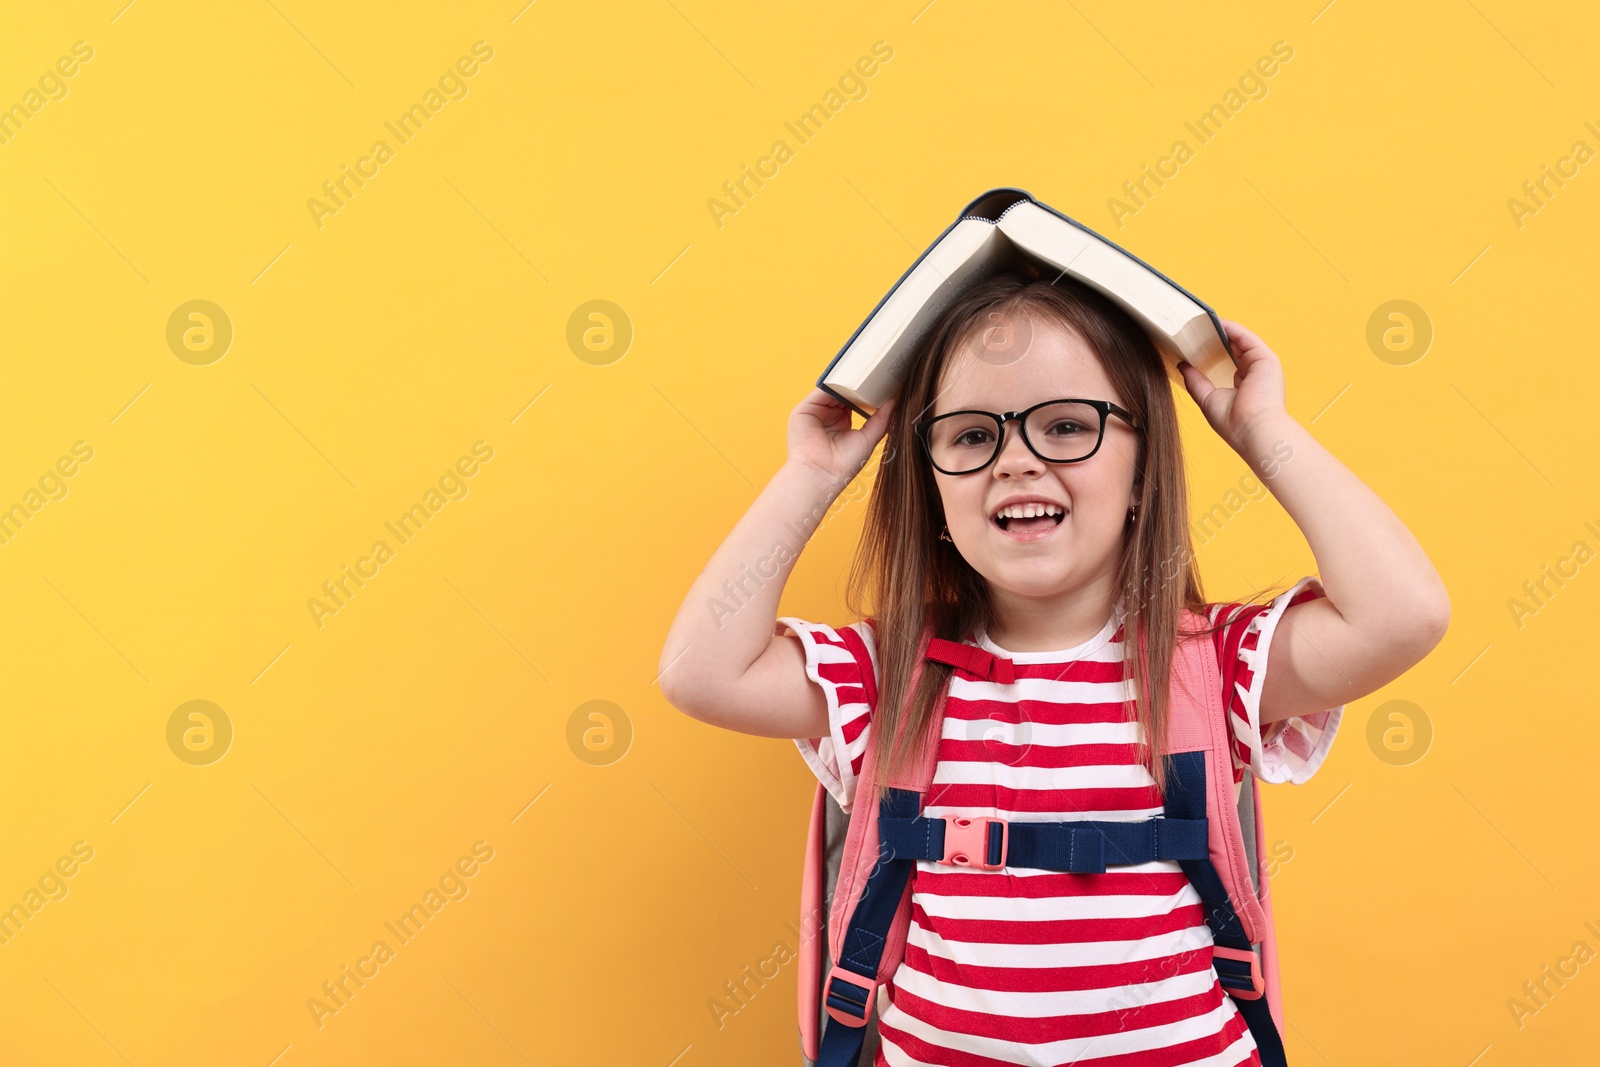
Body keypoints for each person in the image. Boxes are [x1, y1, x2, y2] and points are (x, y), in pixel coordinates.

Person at [659, 272, 1450, 1065]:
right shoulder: (888, 674)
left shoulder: (1212, 664)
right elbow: (701, 671)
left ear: (1144, 471)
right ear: (931, 489)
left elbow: (1404, 613)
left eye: (1068, 426)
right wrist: (813, 473)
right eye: (971, 436)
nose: (1016, 462)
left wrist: (1263, 430)